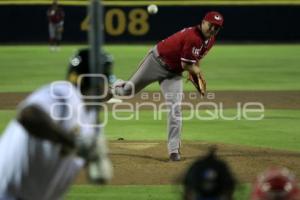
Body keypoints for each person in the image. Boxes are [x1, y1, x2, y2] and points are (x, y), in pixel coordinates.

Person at [112, 11, 224, 161]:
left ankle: (174, 151)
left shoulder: (210, 40)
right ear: (203, 22)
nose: (213, 29)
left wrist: (195, 70)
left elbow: (193, 59)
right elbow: (187, 64)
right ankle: (114, 86)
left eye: (216, 28)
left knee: (175, 109)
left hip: (174, 74)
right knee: (126, 92)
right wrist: (197, 72)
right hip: (156, 62)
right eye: (211, 25)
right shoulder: (193, 37)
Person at [0, 54, 113, 200]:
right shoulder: (64, 93)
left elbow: (95, 174)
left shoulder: (91, 119)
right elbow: (28, 115)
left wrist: (97, 160)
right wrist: (73, 143)